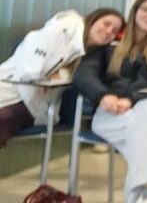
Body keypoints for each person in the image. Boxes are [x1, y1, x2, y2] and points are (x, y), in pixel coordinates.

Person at [73, 0, 147, 203]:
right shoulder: (111, 47)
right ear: (135, 13)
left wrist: (132, 99)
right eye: (146, 10)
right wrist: (103, 95)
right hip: (112, 114)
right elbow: (83, 74)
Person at [0, 9, 124, 148]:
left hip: (34, 105)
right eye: (106, 24)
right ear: (92, 20)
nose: (109, 31)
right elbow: (30, 72)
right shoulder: (57, 32)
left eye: (114, 31)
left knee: (4, 118)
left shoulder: (92, 56)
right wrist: (46, 78)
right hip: (11, 89)